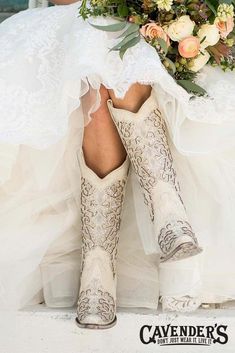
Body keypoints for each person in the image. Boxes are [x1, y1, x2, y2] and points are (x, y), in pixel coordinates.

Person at [0, 0, 234, 329]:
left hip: (146, 36)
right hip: (79, 23)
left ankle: (99, 269)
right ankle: (166, 215)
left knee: (114, 49)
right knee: (95, 46)